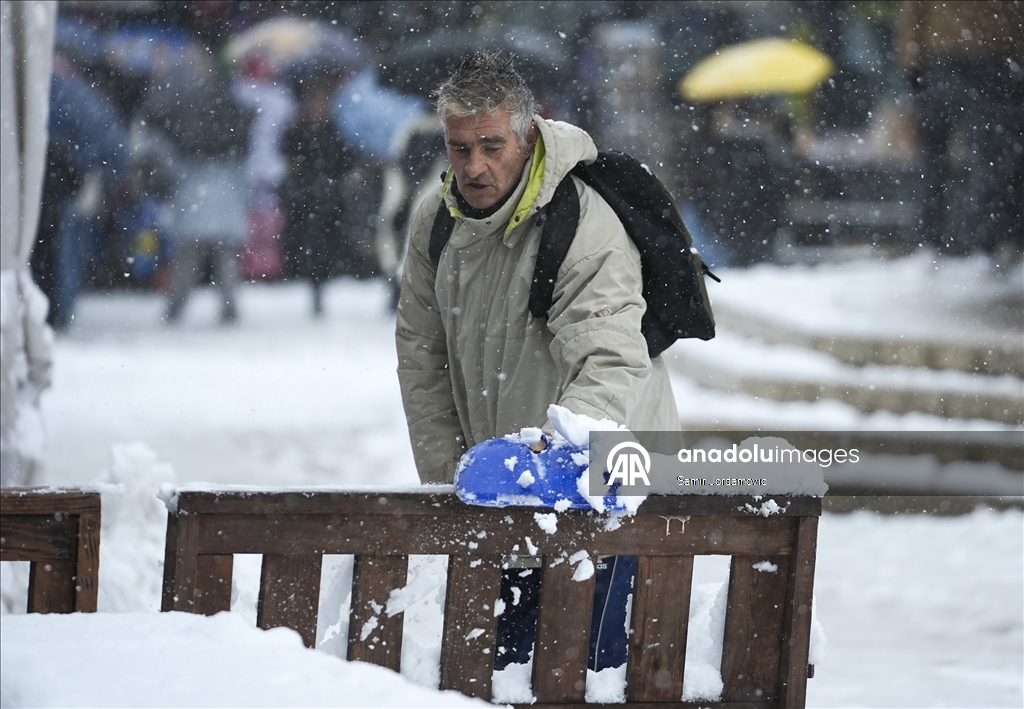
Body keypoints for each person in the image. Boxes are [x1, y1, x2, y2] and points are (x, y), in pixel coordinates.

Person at [395, 51, 680, 670]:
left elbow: (610, 361)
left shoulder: (581, 221)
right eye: (459, 147)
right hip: (500, 492)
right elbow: (421, 359)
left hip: (605, 482)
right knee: (507, 673)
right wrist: (456, 479)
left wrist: (546, 463)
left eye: (491, 146)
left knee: (584, 675)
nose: (474, 166)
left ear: (527, 136)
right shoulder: (434, 221)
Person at [137, 42, 254, 325]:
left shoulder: (179, 105)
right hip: (224, 190)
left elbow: (166, 149)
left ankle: (176, 308)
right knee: (225, 257)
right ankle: (229, 307)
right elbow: (242, 151)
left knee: (188, 256)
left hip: (193, 190)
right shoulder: (227, 104)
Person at [897, 1, 1023, 259]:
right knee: (992, 157)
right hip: (993, 52)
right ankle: (986, 243)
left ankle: (930, 240)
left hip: (945, 52)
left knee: (935, 155)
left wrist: (911, 62)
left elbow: (913, 10)